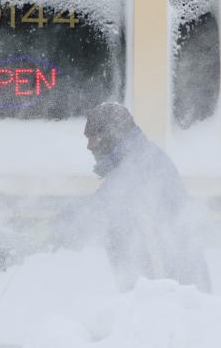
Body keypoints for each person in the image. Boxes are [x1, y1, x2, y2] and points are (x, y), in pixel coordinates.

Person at [54, 102, 212, 293]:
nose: (89, 147)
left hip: (173, 294)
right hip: (164, 292)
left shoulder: (142, 165)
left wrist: (41, 236)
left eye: (93, 138)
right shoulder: (138, 159)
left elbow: (96, 211)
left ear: (111, 136)